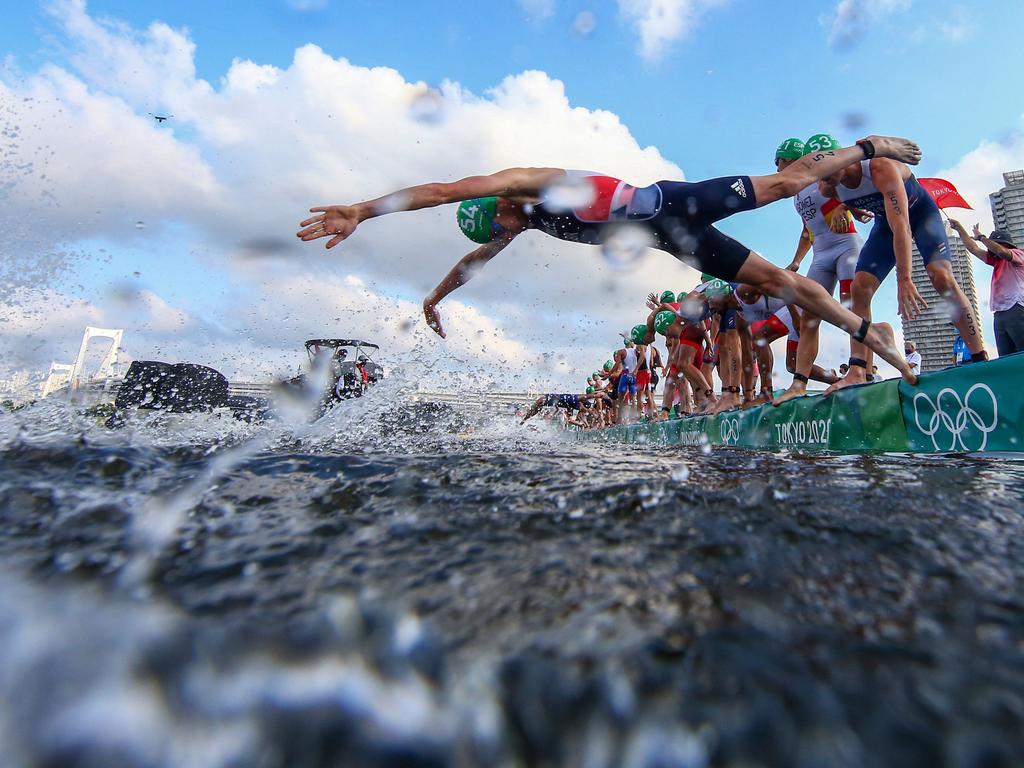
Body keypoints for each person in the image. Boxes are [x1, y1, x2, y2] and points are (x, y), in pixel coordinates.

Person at [297, 136, 927, 383]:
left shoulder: (525, 182)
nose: (507, 229)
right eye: (502, 227)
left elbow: (441, 191)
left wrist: (361, 206)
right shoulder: (512, 226)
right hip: (670, 240)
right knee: (781, 283)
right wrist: (435, 299)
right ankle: (885, 352)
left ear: (499, 205)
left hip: (674, 201)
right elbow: (474, 263)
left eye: (501, 220)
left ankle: (871, 144)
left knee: (787, 184)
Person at [815, 145, 982, 394]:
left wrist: (904, 278)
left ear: (842, 159)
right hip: (886, 223)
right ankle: (859, 369)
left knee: (941, 277)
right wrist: (846, 207)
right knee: (859, 288)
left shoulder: (880, 168)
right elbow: (870, 206)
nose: (823, 180)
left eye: (827, 170)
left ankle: (979, 356)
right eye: (819, 174)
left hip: (920, 215)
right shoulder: (829, 187)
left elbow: (902, 226)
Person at [773, 134, 869, 405]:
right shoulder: (795, 191)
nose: (777, 168)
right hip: (821, 255)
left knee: (851, 307)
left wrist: (845, 206)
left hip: (847, 246)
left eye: (779, 161)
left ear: (790, 158)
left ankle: (860, 368)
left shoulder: (820, 174)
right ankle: (799, 384)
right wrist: (796, 262)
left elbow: (850, 187)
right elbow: (807, 230)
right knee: (809, 317)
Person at [948, 221, 1024, 356]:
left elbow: (1001, 251)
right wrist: (960, 229)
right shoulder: (996, 261)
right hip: (999, 312)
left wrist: (982, 237)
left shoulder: (1018, 254)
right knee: (1005, 357)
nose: (991, 250)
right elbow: (974, 249)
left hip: (1015, 307)